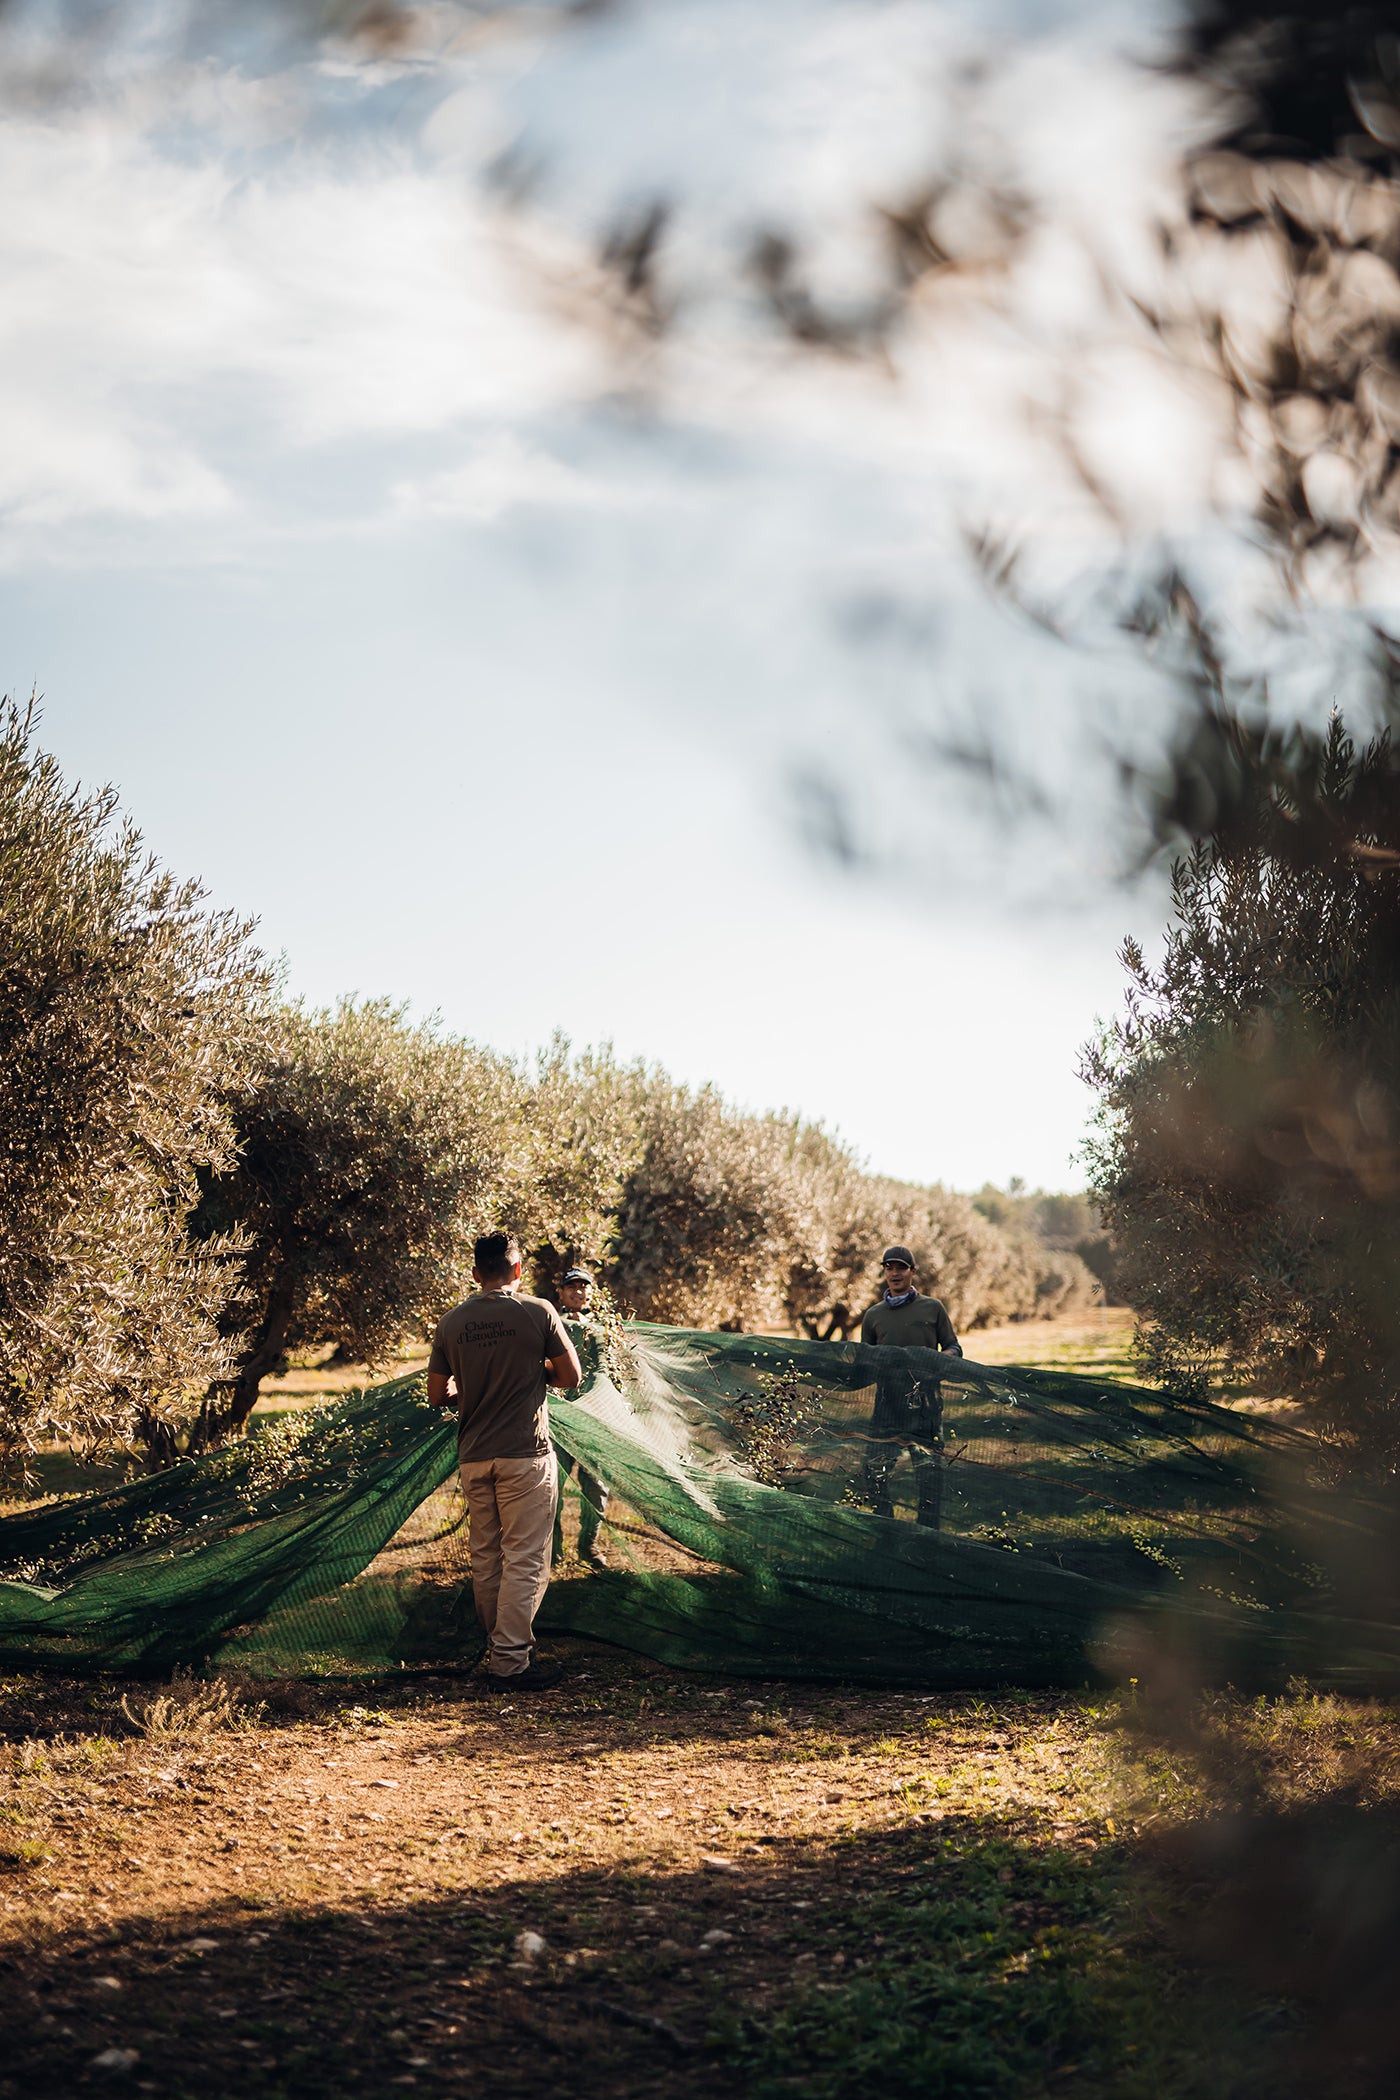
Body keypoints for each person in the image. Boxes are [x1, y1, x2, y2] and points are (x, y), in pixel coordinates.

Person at [427, 1232, 581, 1691]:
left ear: (476, 1274)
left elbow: (438, 1394)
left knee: (487, 1557)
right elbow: (571, 1376)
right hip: (526, 1456)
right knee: (526, 1558)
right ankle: (510, 1664)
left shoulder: (451, 1322)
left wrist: (473, 1389)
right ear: (517, 1271)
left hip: (474, 1457)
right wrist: (535, 1373)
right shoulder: (539, 1312)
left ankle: (500, 1648)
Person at [858, 1244, 962, 1528]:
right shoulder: (873, 1315)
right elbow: (864, 1359)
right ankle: (885, 1529)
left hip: (926, 1406)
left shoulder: (933, 1307)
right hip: (887, 1406)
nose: (894, 1273)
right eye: (889, 1267)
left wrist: (937, 1360)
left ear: (913, 1272)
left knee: (929, 1477)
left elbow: (954, 1346)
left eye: (901, 1267)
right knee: (875, 1472)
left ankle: (928, 1537)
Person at [551, 1267, 611, 1569]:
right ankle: (553, 1550)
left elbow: (605, 1369)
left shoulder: (600, 1329)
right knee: (553, 1486)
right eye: (572, 1286)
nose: (578, 1291)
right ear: (560, 1292)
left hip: (591, 1420)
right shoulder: (552, 1324)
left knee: (596, 1486)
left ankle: (589, 1546)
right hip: (558, 1420)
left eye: (584, 1287)